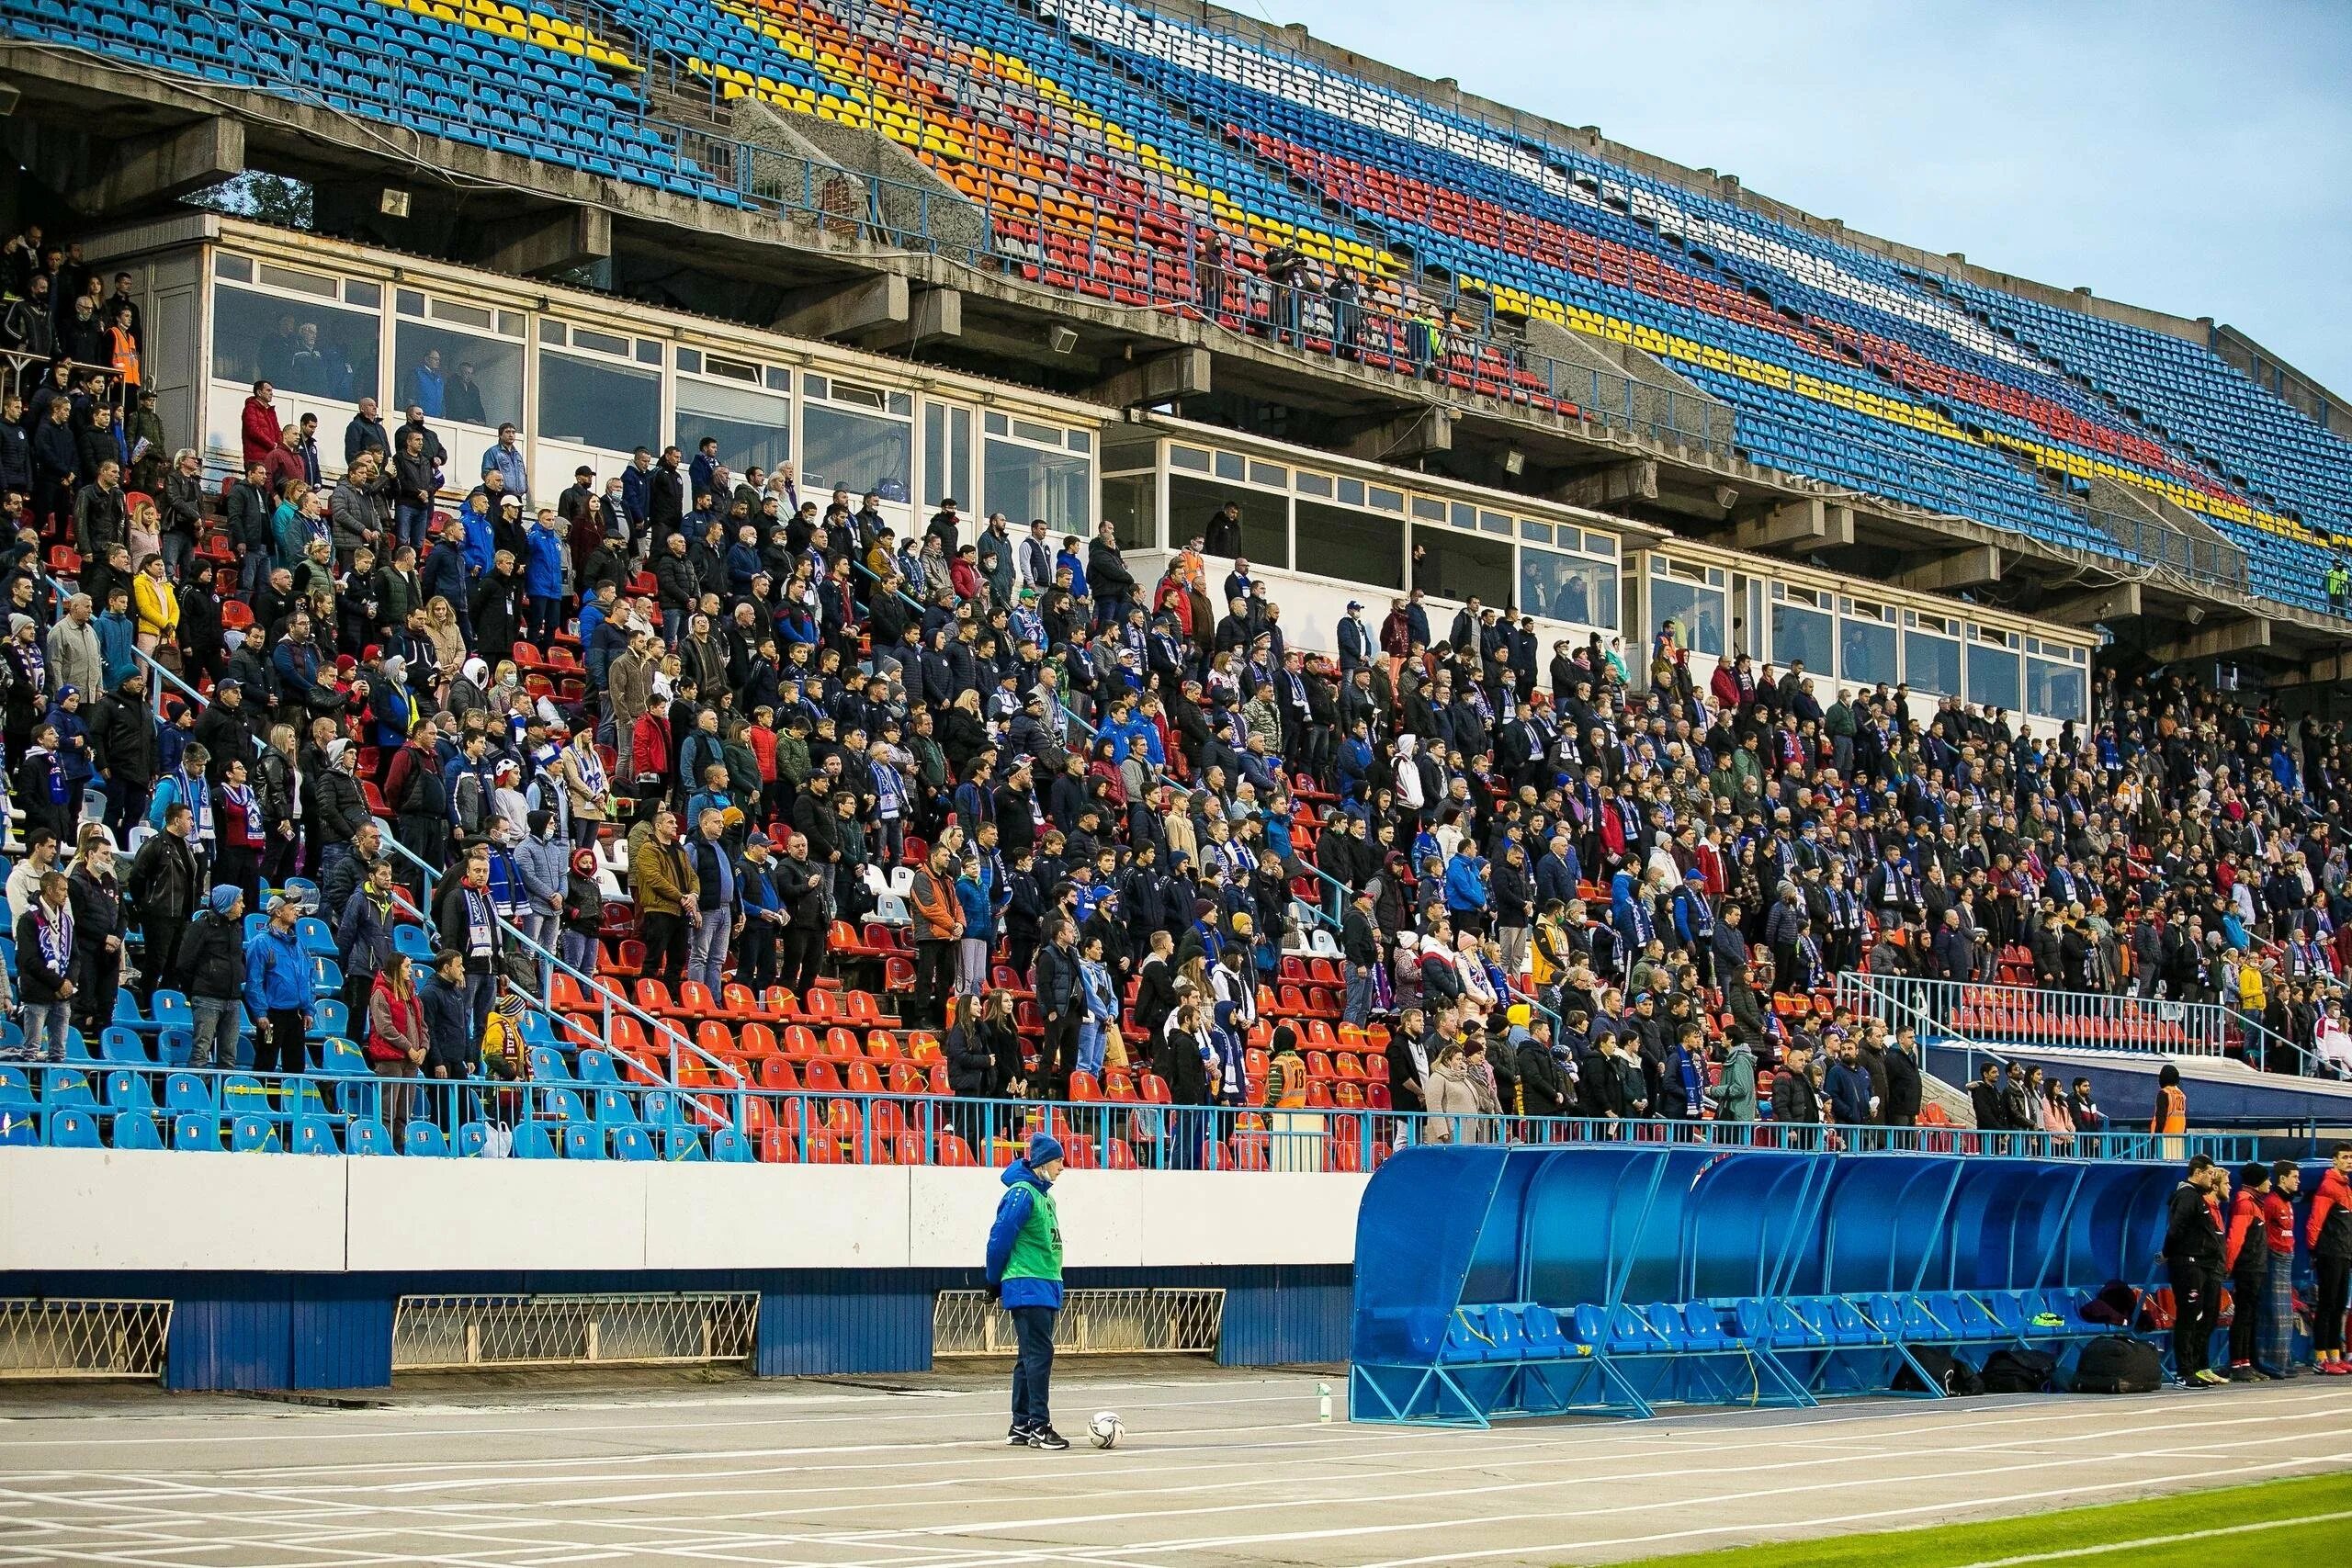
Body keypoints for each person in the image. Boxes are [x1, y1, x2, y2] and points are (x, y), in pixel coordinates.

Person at [985, 1131, 1069, 1450]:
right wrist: (994, 1279)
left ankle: (1021, 1424)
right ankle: (1039, 1425)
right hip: (1027, 1281)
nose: (1063, 1166)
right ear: (1042, 1163)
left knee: (1029, 1356)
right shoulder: (1023, 1194)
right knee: (1039, 1355)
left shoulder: (1045, 1197)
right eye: (1058, 1160)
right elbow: (1000, 1239)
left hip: (1044, 1282)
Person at [2163, 1155, 2227, 1389]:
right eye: (2210, 1173)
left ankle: (2194, 1369)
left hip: (2199, 1265)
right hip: (2187, 1265)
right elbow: (2176, 1229)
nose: (2212, 1178)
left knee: (2197, 1316)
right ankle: (2184, 1372)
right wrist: (2168, 1253)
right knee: (2188, 1317)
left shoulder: (2197, 1198)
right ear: (2198, 1173)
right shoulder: (2188, 1196)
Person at [243, 894, 314, 1080]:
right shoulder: (261, 942)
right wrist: (260, 1013)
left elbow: (308, 977)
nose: (296, 912)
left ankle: (291, 1109)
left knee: (296, 1067)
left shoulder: (298, 944)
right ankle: (261, 1106)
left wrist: (308, 1009)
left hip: (296, 1015)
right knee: (266, 1062)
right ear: (278, 912)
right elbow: (254, 980)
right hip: (272, 1015)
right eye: (291, 908)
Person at [175, 885, 247, 1070]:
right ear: (227, 903)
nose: (243, 905)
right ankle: (197, 1096)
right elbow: (184, 962)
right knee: (201, 1052)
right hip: (207, 997)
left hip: (233, 999)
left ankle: (224, 1097)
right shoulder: (201, 925)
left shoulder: (237, 928)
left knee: (229, 1057)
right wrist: (198, 988)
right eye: (239, 901)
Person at [364, 952, 428, 1148]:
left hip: (412, 1061)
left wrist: (424, 1048)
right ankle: (383, 1151)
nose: (411, 970)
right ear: (396, 968)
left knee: (403, 1113)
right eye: (407, 966)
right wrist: (409, 1047)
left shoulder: (413, 995)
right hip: (390, 1060)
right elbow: (385, 1028)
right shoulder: (380, 993)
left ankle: (399, 1152)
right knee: (387, 1112)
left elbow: (422, 1026)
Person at [13, 869, 74, 1064]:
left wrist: (69, 982)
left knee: (59, 1053)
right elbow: (29, 960)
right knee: (31, 1050)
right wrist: (57, 984)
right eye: (62, 889)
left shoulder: (66, 921)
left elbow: (76, 956)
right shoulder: (28, 920)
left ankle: (55, 1092)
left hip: (63, 995)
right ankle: (26, 1092)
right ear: (49, 890)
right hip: (38, 994)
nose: (66, 894)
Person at [2222, 1162, 2273, 1382]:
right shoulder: (2245, 1203)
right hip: (2247, 1268)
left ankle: (2246, 1362)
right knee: (2242, 1316)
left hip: (2256, 1266)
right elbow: (2235, 1239)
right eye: (2267, 1179)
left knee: (2249, 1315)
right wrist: (2229, 1265)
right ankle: (2237, 1363)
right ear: (2258, 1182)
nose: (2270, 1183)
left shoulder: (2254, 1202)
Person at [2310, 1143, 2352, 1375]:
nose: (2349, 1161)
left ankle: (2335, 1355)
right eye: (2344, 1157)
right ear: (2334, 1160)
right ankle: (2320, 1357)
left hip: (2344, 1253)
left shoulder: (2347, 1188)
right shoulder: (2329, 1186)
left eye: (2351, 1157)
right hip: (2329, 1253)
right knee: (2327, 1305)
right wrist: (2313, 1250)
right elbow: (2316, 1220)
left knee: (2338, 1306)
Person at [2152, 1061, 2188, 1162]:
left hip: (2164, 1139)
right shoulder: (2181, 1095)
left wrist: (2155, 1138)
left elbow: (2161, 1119)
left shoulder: (2164, 1093)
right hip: (2179, 1140)